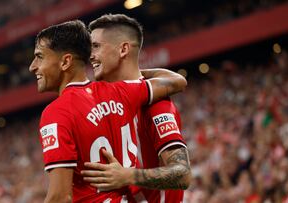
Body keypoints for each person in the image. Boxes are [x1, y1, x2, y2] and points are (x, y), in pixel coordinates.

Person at [28, 20, 187, 202]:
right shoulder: (121, 92)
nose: (32, 66)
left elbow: (60, 197)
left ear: (65, 62)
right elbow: (176, 81)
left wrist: (129, 176)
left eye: (40, 57)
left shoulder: (56, 112)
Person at [81, 14, 191, 203]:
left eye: (96, 46)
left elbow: (182, 174)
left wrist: (127, 176)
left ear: (123, 49)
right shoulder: (113, 104)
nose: (90, 55)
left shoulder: (155, 104)